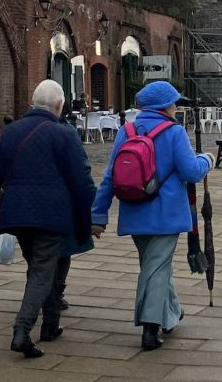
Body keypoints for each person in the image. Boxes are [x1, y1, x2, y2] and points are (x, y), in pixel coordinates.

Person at [91, 81, 214, 351]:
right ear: (165, 106)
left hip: (135, 212)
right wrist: (207, 159)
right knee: (157, 268)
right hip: (166, 214)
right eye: (174, 103)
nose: (176, 107)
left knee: (155, 265)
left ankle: (171, 313)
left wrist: (98, 215)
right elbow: (192, 172)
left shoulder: (127, 130)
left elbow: (110, 176)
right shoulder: (174, 132)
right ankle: (150, 327)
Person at [0, 80, 94, 358]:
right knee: (41, 272)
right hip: (51, 215)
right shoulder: (63, 134)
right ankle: (22, 331)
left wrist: (15, 191)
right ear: (60, 106)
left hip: (16, 213)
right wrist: (87, 221)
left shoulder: (10, 131)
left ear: (32, 103)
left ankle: (51, 324)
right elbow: (80, 182)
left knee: (38, 268)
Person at [56, 105, 97, 312]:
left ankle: (44, 293)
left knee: (37, 254)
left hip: (26, 206)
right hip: (62, 202)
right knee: (62, 251)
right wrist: (92, 208)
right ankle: (54, 296)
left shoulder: (17, 128)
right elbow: (82, 171)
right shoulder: (67, 131)